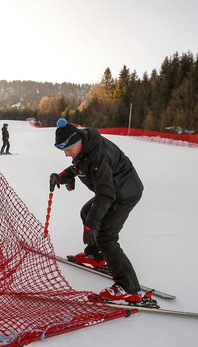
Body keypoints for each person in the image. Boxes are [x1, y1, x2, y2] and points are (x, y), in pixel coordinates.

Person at [49, 118, 146, 304]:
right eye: (63, 150)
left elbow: (106, 195)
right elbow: (80, 166)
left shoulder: (97, 154)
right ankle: (96, 255)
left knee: (106, 236)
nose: (66, 154)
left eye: (67, 149)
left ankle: (128, 287)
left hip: (124, 193)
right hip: (113, 190)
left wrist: (91, 226)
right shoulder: (85, 147)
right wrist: (63, 176)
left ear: (77, 141)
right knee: (87, 212)